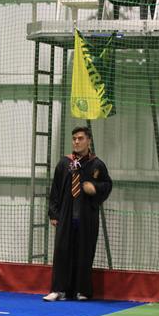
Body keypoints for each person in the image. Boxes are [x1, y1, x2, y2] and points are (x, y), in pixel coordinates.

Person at [43, 126, 112, 301]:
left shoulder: (97, 164)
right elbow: (55, 190)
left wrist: (94, 188)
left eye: (80, 138)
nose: (76, 142)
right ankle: (59, 290)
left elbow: (107, 185)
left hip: (86, 217)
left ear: (88, 140)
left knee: (84, 253)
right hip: (66, 217)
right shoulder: (64, 163)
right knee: (61, 252)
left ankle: (82, 290)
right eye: (74, 138)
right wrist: (53, 214)